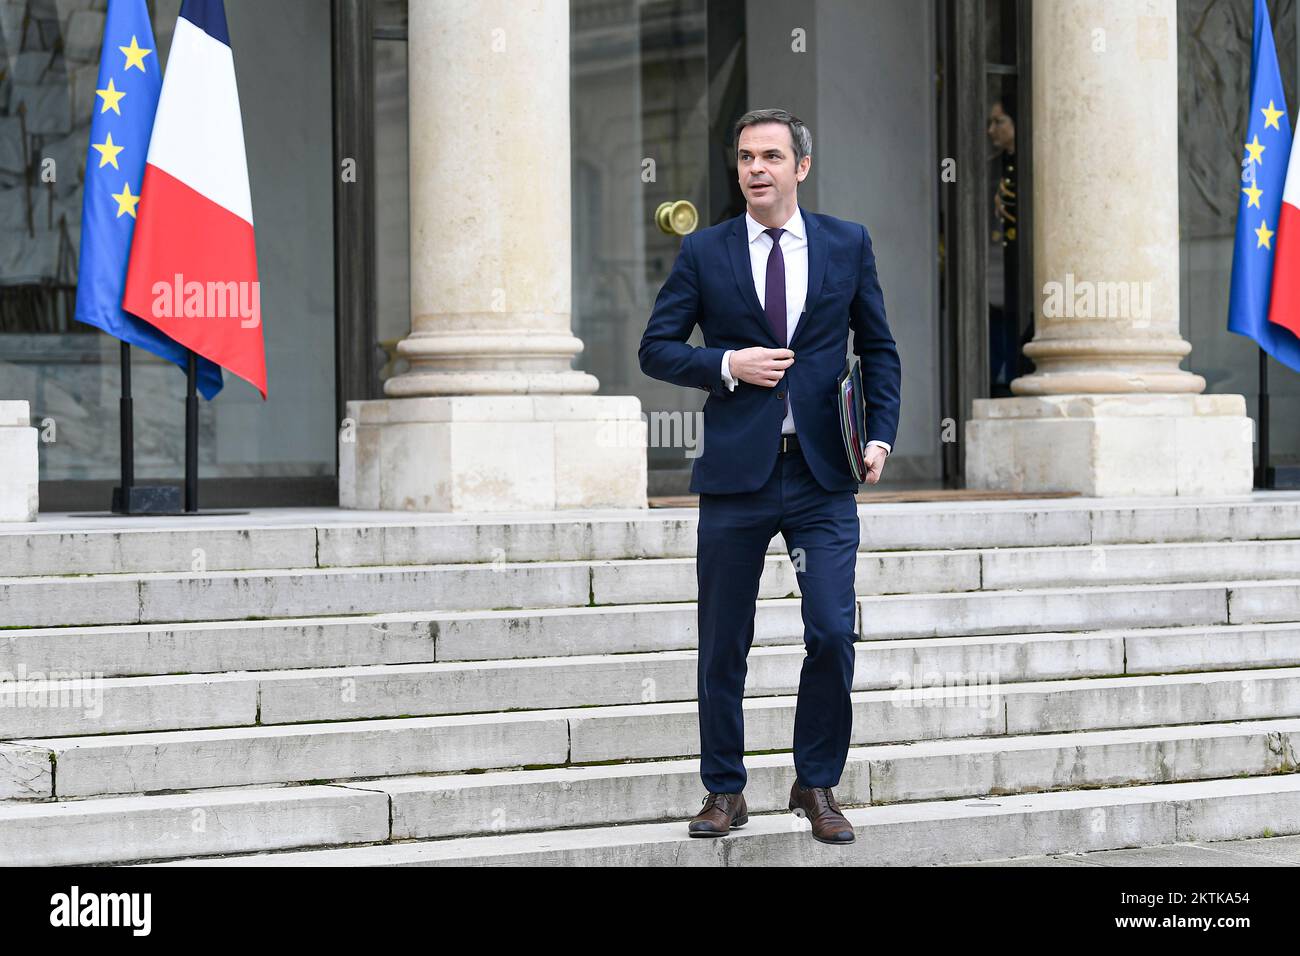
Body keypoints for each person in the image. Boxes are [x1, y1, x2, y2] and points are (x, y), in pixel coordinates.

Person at [637, 107, 902, 845]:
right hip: (736, 479)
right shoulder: (705, 250)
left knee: (832, 632)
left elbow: (879, 348)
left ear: (800, 168)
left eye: (772, 156)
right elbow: (656, 347)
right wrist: (726, 364)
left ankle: (815, 782)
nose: (757, 168)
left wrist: (880, 434)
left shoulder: (847, 244)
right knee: (724, 640)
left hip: (822, 477)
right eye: (747, 157)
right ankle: (725, 789)